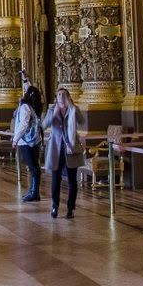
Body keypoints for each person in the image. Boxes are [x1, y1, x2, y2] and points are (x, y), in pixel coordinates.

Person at [42, 88, 86, 219]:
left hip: (70, 149)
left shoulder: (73, 109)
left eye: (63, 94)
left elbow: (82, 121)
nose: (60, 97)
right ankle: (55, 206)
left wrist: (73, 108)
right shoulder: (51, 110)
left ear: (68, 97)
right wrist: (53, 114)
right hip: (56, 149)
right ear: (56, 97)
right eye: (58, 94)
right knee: (56, 179)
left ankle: (70, 208)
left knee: (72, 180)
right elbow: (44, 125)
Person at [12, 92, 43, 203]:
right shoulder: (30, 107)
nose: (21, 95)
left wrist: (15, 139)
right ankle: (33, 191)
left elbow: (23, 124)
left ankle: (34, 192)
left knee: (33, 167)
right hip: (31, 141)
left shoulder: (25, 107)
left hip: (27, 142)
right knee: (34, 167)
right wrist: (25, 78)